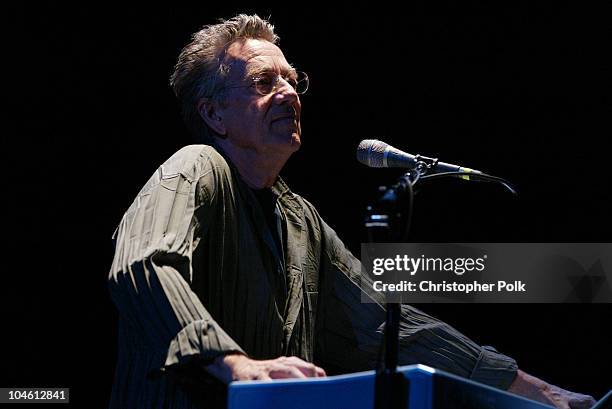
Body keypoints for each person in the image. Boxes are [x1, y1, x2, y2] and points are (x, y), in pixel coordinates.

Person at [107, 14, 596, 409]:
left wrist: (528, 389)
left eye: (292, 80)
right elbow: (144, 266)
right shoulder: (196, 165)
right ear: (214, 114)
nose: (289, 92)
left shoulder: (302, 220)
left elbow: (387, 327)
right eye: (263, 81)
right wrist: (235, 363)